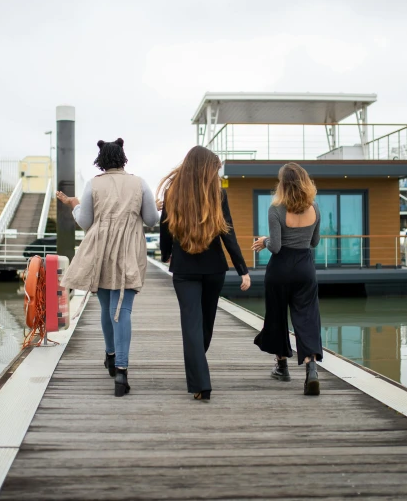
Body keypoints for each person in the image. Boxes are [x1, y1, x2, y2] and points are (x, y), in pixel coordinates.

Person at [57, 138, 158, 397]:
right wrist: (156, 208)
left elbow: (85, 222)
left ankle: (111, 357)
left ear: (101, 159)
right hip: (129, 249)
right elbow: (150, 220)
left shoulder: (93, 183)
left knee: (105, 307)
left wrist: (74, 205)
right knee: (121, 309)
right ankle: (122, 372)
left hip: (99, 249)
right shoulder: (140, 183)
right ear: (123, 156)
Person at [158, 146, 251, 401]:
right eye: (215, 169)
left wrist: (167, 254)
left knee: (196, 327)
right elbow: (228, 233)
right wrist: (242, 269)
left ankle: (198, 372)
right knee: (202, 325)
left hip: (187, 270)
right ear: (206, 169)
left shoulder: (174, 193)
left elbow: (165, 231)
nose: (217, 174)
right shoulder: (213, 194)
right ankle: (201, 380)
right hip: (212, 269)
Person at [251, 162, 322, 396]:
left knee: (277, 316)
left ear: (283, 184)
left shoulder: (276, 209)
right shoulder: (315, 209)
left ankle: (282, 366)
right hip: (304, 268)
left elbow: (277, 246)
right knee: (307, 316)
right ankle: (311, 366)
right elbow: (314, 242)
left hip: (280, 270)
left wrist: (264, 240)